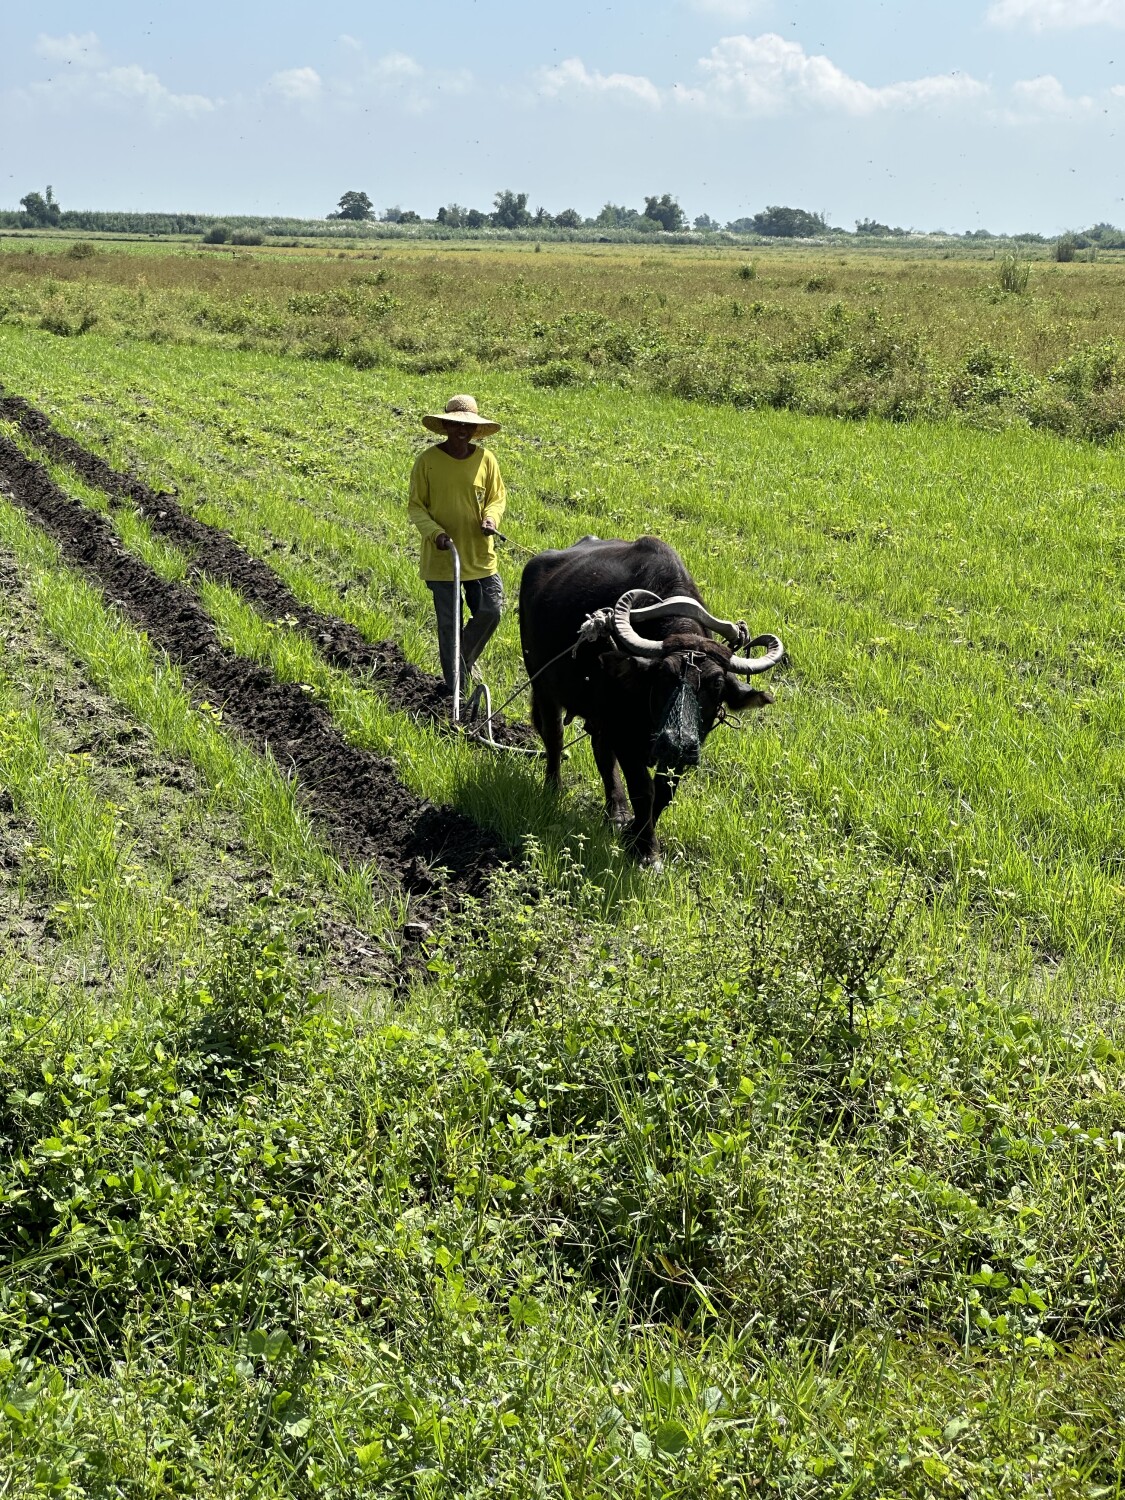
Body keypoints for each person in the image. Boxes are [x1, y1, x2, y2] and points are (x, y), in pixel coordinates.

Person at [408, 393, 507, 695]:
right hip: (443, 559)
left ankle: (461, 660)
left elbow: (497, 498)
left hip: (479, 556)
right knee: (449, 626)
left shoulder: (486, 459)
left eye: (468, 426)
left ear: (475, 429)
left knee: (491, 611)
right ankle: (456, 692)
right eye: (456, 425)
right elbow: (416, 507)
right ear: (446, 426)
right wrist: (435, 533)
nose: (462, 431)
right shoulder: (428, 461)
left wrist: (491, 518)